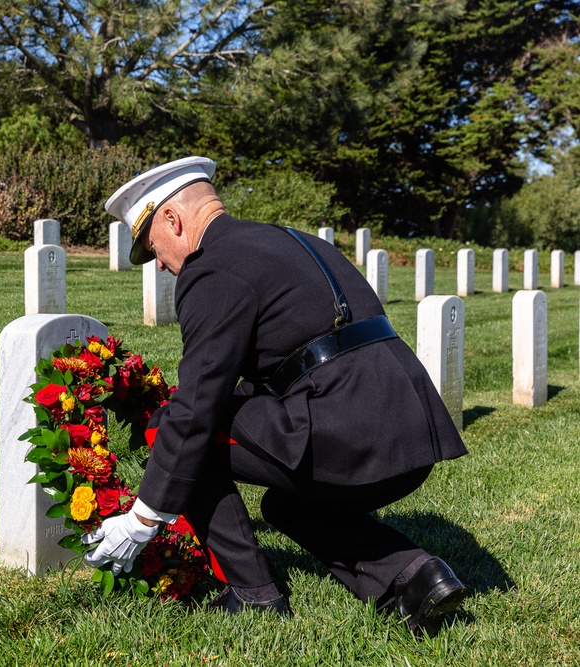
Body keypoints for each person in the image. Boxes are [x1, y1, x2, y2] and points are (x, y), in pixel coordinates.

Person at [82, 156, 468, 636]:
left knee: (170, 429)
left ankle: (254, 596)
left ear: (172, 220)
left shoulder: (212, 269)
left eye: (153, 247)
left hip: (353, 438)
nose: (159, 263)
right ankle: (414, 577)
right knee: (287, 507)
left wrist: (143, 518)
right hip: (414, 432)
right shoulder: (295, 240)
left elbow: (198, 410)